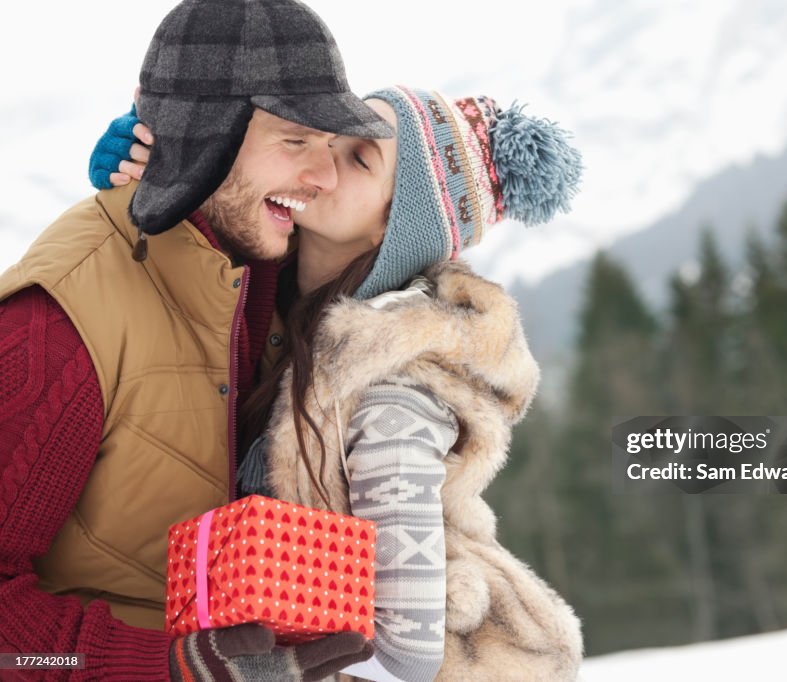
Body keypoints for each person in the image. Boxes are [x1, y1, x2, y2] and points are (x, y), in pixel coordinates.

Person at [91, 86, 586, 681]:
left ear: (397, 224)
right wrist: (151, 180)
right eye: (325, 137)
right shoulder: (272, 303)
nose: (320, 163)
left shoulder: (393, 398)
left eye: (359, 158)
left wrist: (260, 666)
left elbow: (407, 654)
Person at [0, 0, 391, 678]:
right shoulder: (58, 329)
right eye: (296, 141)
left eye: (330, 146)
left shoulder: (254, 277)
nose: (325, 178)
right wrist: (175, 669)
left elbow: (401, 213)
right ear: (207, 133)